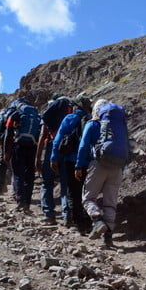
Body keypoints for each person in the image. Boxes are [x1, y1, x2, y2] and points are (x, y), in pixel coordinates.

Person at [75, 99, 126, 249]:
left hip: (98, 164)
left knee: (88, 198)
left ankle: (98, 221)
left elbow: (83, 145)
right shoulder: (118, 127)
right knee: (110, 203)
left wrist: (79, 165)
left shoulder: (92, 124)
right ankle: (108, 239)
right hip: (117, 166)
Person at [51, 97, 92, 233]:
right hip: (89, 161)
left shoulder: (69, 118)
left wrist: (54, 158)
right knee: (87, 193)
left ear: (76, 106)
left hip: (71, 160)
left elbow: (58, 139)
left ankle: (77, 224)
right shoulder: (92, 119)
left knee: (73, 192)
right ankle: (89, 224)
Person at [36, 96, 72, 225]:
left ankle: (48, 214)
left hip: (52, 146)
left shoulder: (50, 114)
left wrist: (38, 157)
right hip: (68, 148)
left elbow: (42, 135)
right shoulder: (71, 111)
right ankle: (67, 215)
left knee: (47, 182)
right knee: (65, 183)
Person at [6, 98, 40, 211]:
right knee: (29, 175)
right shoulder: (36, 115)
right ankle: (28, 202)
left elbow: (8, 134)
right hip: (32, 146)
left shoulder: (16, 113)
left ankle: (20, 200)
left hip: (19, 145)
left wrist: (7, 152)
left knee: (18, 173)